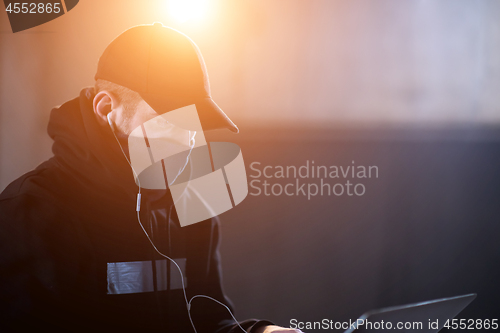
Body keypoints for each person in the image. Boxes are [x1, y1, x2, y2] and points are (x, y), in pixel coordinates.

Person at [0, 23, 299, 333]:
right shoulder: (31, 213)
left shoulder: (191, 211)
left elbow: (206, 320)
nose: (189, 142)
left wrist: (261, 332)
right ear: (106, 109)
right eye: (171, 123)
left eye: (194, 125)